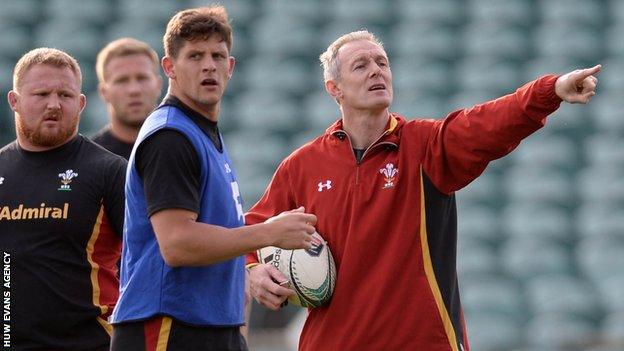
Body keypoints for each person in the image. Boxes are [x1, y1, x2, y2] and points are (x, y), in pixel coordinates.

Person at [246, 30, 600, 351]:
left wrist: (550, 91)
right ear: (334, 88)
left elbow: (487, 123)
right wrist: (252, 271)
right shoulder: (302, 165)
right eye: (361, 65)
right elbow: (250, 230)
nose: (376, 71)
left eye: (382, 63)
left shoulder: (425, 145)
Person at [109, 6, 316, 351]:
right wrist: (268, 234)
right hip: (168, 326)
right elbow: (177, 244)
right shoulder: (170, 136)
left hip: (214, 325)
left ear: (231, 67)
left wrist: (248, 273)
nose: (209, 65)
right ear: (169, 67)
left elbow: (213, 237)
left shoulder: (201, 133)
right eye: (195, 56)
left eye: (218, 55)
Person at [0, 48, 126, 350]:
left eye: (65, 95)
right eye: (41, 94)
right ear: (14, 101)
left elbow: (151, 262)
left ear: (81, 103)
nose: (54, 104)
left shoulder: (110, 172)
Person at [91, 37, 163, 159]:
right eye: (122, 81)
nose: (134, 90)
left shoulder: (185, 147)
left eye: (142, 78)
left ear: (158, 85)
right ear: (104, 92)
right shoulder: (90, 158)